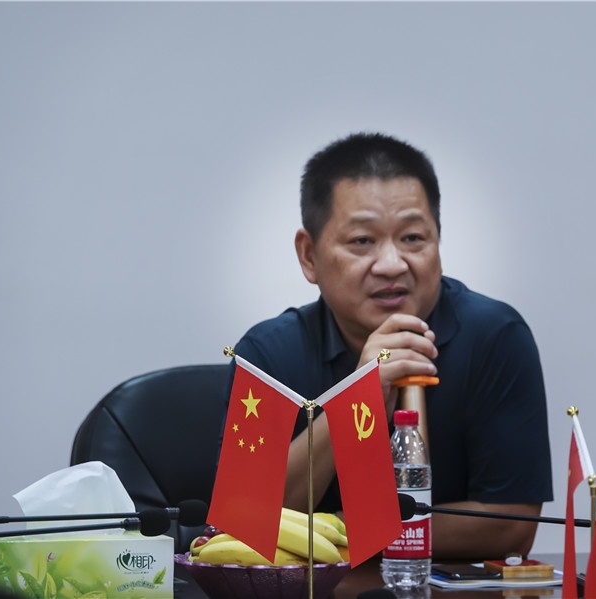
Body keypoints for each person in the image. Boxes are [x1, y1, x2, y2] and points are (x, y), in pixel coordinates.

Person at [225, 132, 553, 560]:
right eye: (362, 241)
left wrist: (333, 532)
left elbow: (511, 526)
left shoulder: (495, 337)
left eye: (413, 238)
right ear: (309, 255)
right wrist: (354, 400)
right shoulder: (266, 354)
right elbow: (245, 522)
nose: (392, 264)